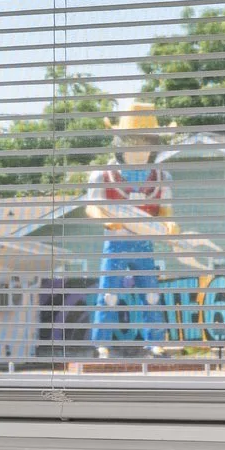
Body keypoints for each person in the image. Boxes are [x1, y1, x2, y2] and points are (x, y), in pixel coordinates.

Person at [85, 99, 172, 349]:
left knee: (152, 294)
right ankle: (101, 344)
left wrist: (170, 225)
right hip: (117, 241)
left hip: (144, 243)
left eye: (145, 144)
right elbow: (92, 206)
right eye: (133, 142)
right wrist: (107, 220)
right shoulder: (102, 176)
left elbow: (166, 211)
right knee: (109, 294)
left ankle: (154, 342)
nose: (138, 150)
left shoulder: (161, 178)